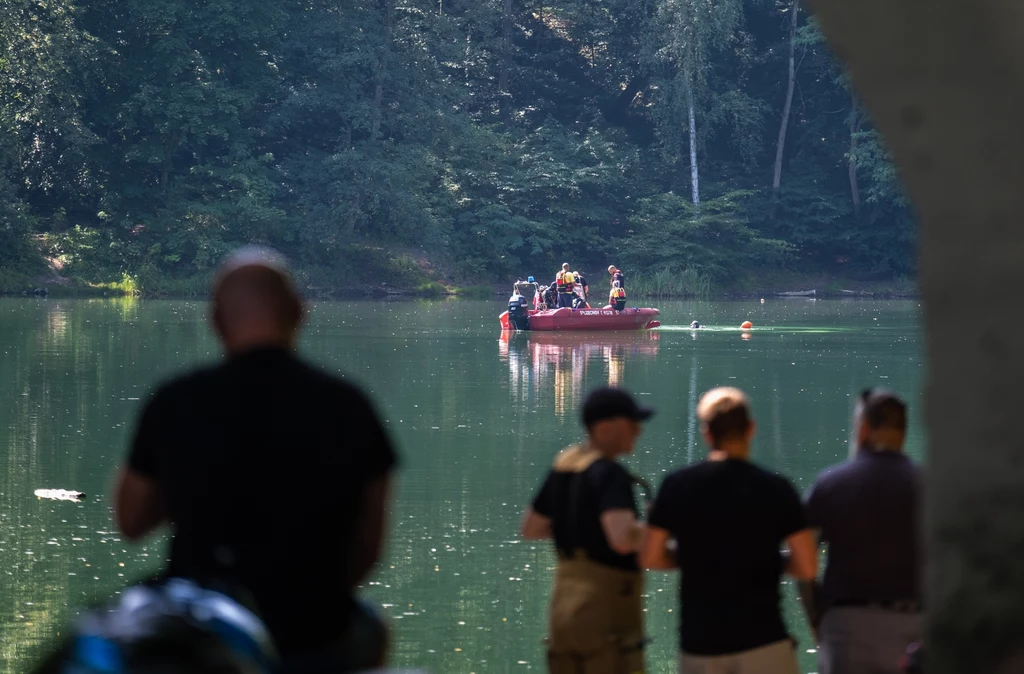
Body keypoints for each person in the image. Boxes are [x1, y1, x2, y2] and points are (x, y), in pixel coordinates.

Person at [113, 247, 398, 670]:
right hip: (314, 627)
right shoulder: (348, 405)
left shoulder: (177, 401)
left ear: (215, 321)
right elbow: (370, 544)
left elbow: (131, 522)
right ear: (300, 312)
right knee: (374, 630)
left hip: (203, 629)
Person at [641, 387, 817, 674]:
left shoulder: (677, 485)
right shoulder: (776, 488)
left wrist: (689, 557)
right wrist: (770, 561)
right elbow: (807, 566)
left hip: (701, 643)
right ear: (751, 429)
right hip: (765, 640)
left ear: (706, 433)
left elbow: (650, 556)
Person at [521, 387, 655, 674]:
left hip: (563, 612)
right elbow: (622, 539)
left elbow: (533, 527)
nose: (638, 431)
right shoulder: (610, 473)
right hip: (605, 617)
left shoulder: (565, 465)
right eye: (632, 423)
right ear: (607, 427)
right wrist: (658, 532)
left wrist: (585, 525)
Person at [803, 389, 923, 674]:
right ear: (903, 432)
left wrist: (817, 619)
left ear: (864, 429)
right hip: (913, 628)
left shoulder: (831, 484)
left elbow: (803, 559)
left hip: (846, 629)